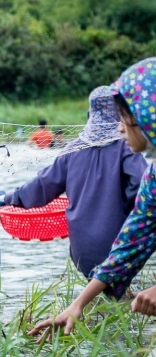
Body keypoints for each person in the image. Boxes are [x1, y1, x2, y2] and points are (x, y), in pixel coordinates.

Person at [30, 57, 156, 339]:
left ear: (148, 117)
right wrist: (77, 306)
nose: (120, 128)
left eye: (124, 118)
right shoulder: (153, 177)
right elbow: (129, 245)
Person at [0, 86, 146, 278]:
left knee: (102, 298)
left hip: (81, 248)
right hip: (118, 244)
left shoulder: (72, 149)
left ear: (91, 112)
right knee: (117, 295)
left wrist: (9, 197)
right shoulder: (125, 147)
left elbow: (42, 186)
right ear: (120, 112)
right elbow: (143, 182)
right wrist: (125, 207)